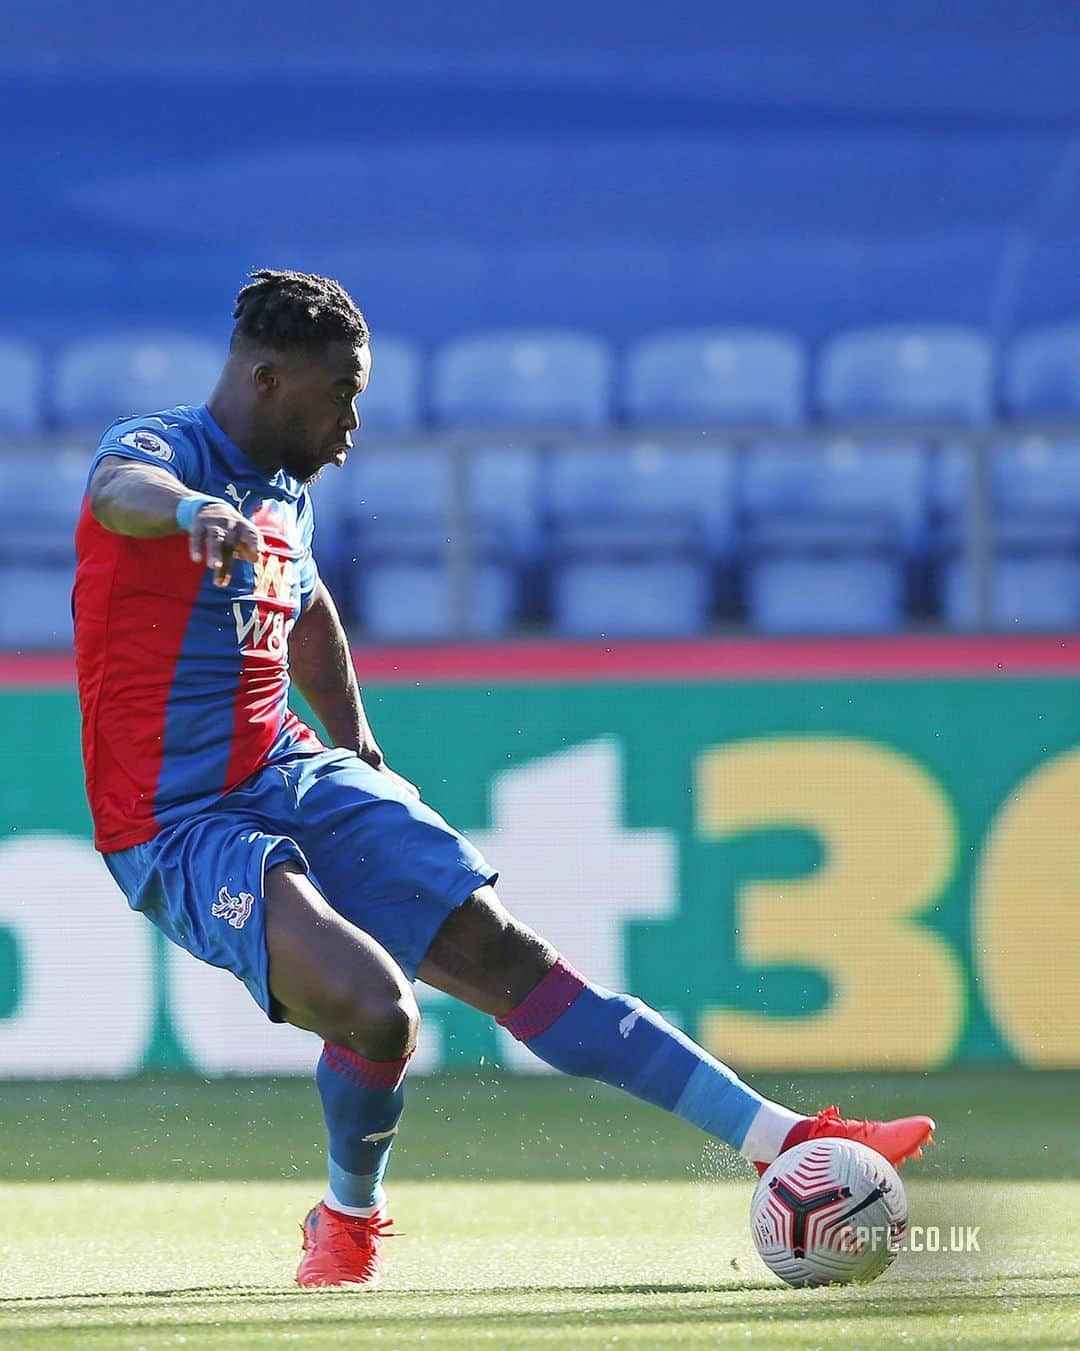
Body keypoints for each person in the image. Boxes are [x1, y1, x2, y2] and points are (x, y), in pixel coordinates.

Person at [73, 269, 934, 1290]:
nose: (353, 422)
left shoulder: (287, 494)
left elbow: (306, 612)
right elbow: (116, 496)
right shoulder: (161, 455)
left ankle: (783, 1136)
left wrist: (355, 744)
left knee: (508, 955)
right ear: (268, 380)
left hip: (288, 769)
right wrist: (192, 517)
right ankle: (347, 1220)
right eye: (340, 394)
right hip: (177, 824)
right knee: (377, 1010)